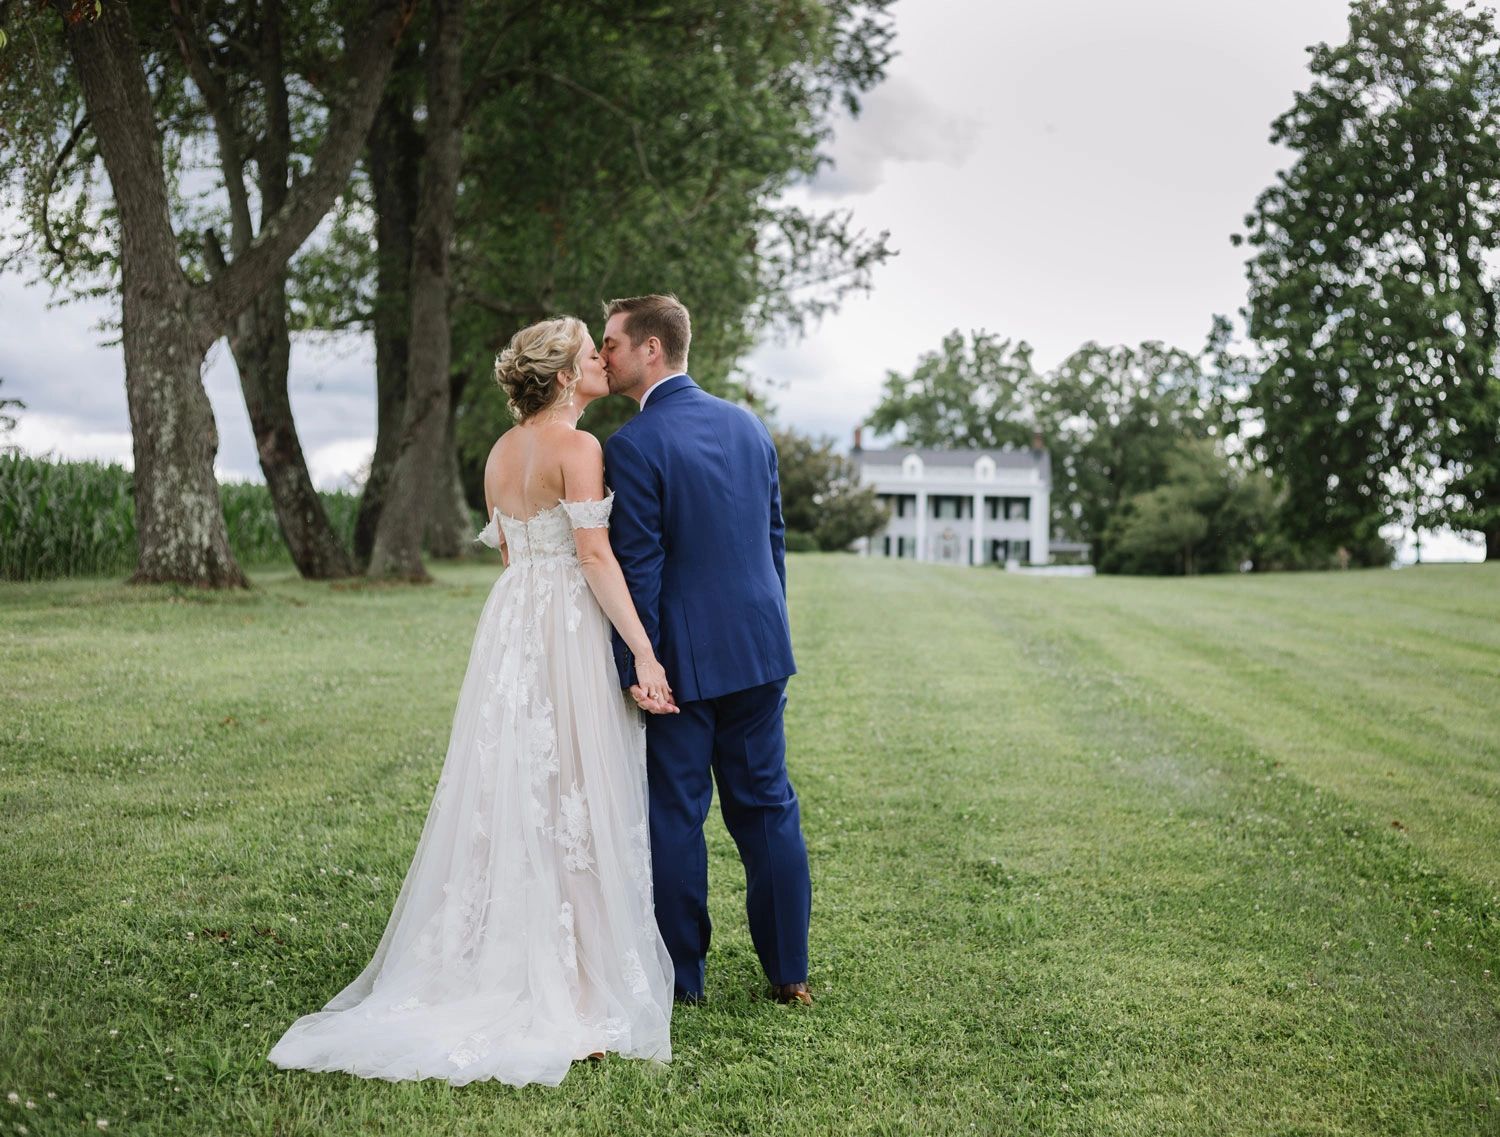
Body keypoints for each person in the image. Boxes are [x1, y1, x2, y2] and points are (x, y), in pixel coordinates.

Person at [268, 316, 675, 1087]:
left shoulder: (499, 453)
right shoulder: (579, 448)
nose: (601, 363)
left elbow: (518, 553)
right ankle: (577, 985)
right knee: (574, 788)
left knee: (517, 784)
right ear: (562, 376)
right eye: (591, 355)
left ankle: (507, 955)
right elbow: (591, 553)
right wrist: (645, 650)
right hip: (562, 621)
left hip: (514, 619)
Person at [599, 294, 813, 1006]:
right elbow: (773, 543)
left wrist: (639, 664)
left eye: (613, 344)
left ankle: (681, 980)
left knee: (676, 815)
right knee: (768, 807)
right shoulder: (749, 426)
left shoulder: (633, 446)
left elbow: (641, 567)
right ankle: (789, 973)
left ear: (651, 349)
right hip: (759, 648)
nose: (605, 356)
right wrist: (768, 628)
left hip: (681, 669)